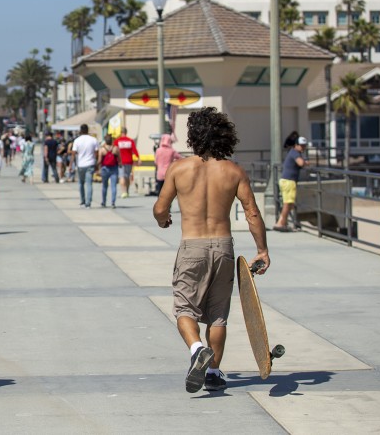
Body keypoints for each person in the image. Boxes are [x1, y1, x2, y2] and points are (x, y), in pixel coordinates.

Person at [153, 107, 269, 393]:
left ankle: (197, 351)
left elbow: (159, 208)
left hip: (192, 246)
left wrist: (164, 219)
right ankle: (214, 373)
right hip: (223, 247)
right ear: (224, 136)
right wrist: (262, 250)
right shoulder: (234, 172)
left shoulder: (180, 169)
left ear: (194, 137)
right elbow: (252, 213)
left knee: (184, 308)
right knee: (218, 315)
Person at [274, 136, 309, 231]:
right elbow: (301, 163)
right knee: (288, 203)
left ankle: (283, 222)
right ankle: (280, 223)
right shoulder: (295, 153)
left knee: (290, 204)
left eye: (304, 146)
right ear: (296, 145)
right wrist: (306, 163)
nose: (303, 148)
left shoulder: (295, 152)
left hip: (287, 181)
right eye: (301, 145)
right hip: (289, 181)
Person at [70, 125, 99, 208]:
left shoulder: (77, 141)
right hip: (90, 164)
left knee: (81, 183)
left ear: (80, 131)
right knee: (89, 184)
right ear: (87, 130)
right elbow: (96, 153)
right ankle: (88, 202)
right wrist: (96, 163)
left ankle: (82, 201)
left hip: (81, 165)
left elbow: (73, 154)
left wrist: (70, 165)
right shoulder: (93, 140)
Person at [114, 127, 141, 198]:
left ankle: (124, 192)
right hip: (129, 161)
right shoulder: (130, 141)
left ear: (121, 133)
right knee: (127, 176)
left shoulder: (117, 141)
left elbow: (114, 151)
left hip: (120, 161)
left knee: (121, 176)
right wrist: (138, 158)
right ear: (126, 132)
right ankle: (127, 191)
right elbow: (135, 150)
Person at [97, 135, 120, 207]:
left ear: (105, 141)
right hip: (114, 168)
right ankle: (113, 202)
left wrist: (97, 167)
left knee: (104, 186)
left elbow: (100, 160)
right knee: (113, 186)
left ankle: (103, 202)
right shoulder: (115, 148)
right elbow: (119, 159)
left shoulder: (102, 149)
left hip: (105, 169)